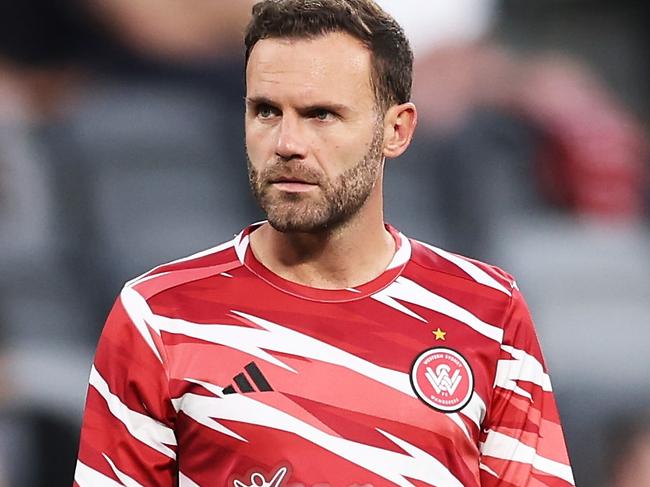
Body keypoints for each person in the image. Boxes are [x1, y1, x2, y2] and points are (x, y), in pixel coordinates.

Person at [74, 1, 575, 485]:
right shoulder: (158, 315)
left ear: (396, 131)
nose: (287, 143)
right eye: (267, 112)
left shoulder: (489, 310)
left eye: (322, 115)